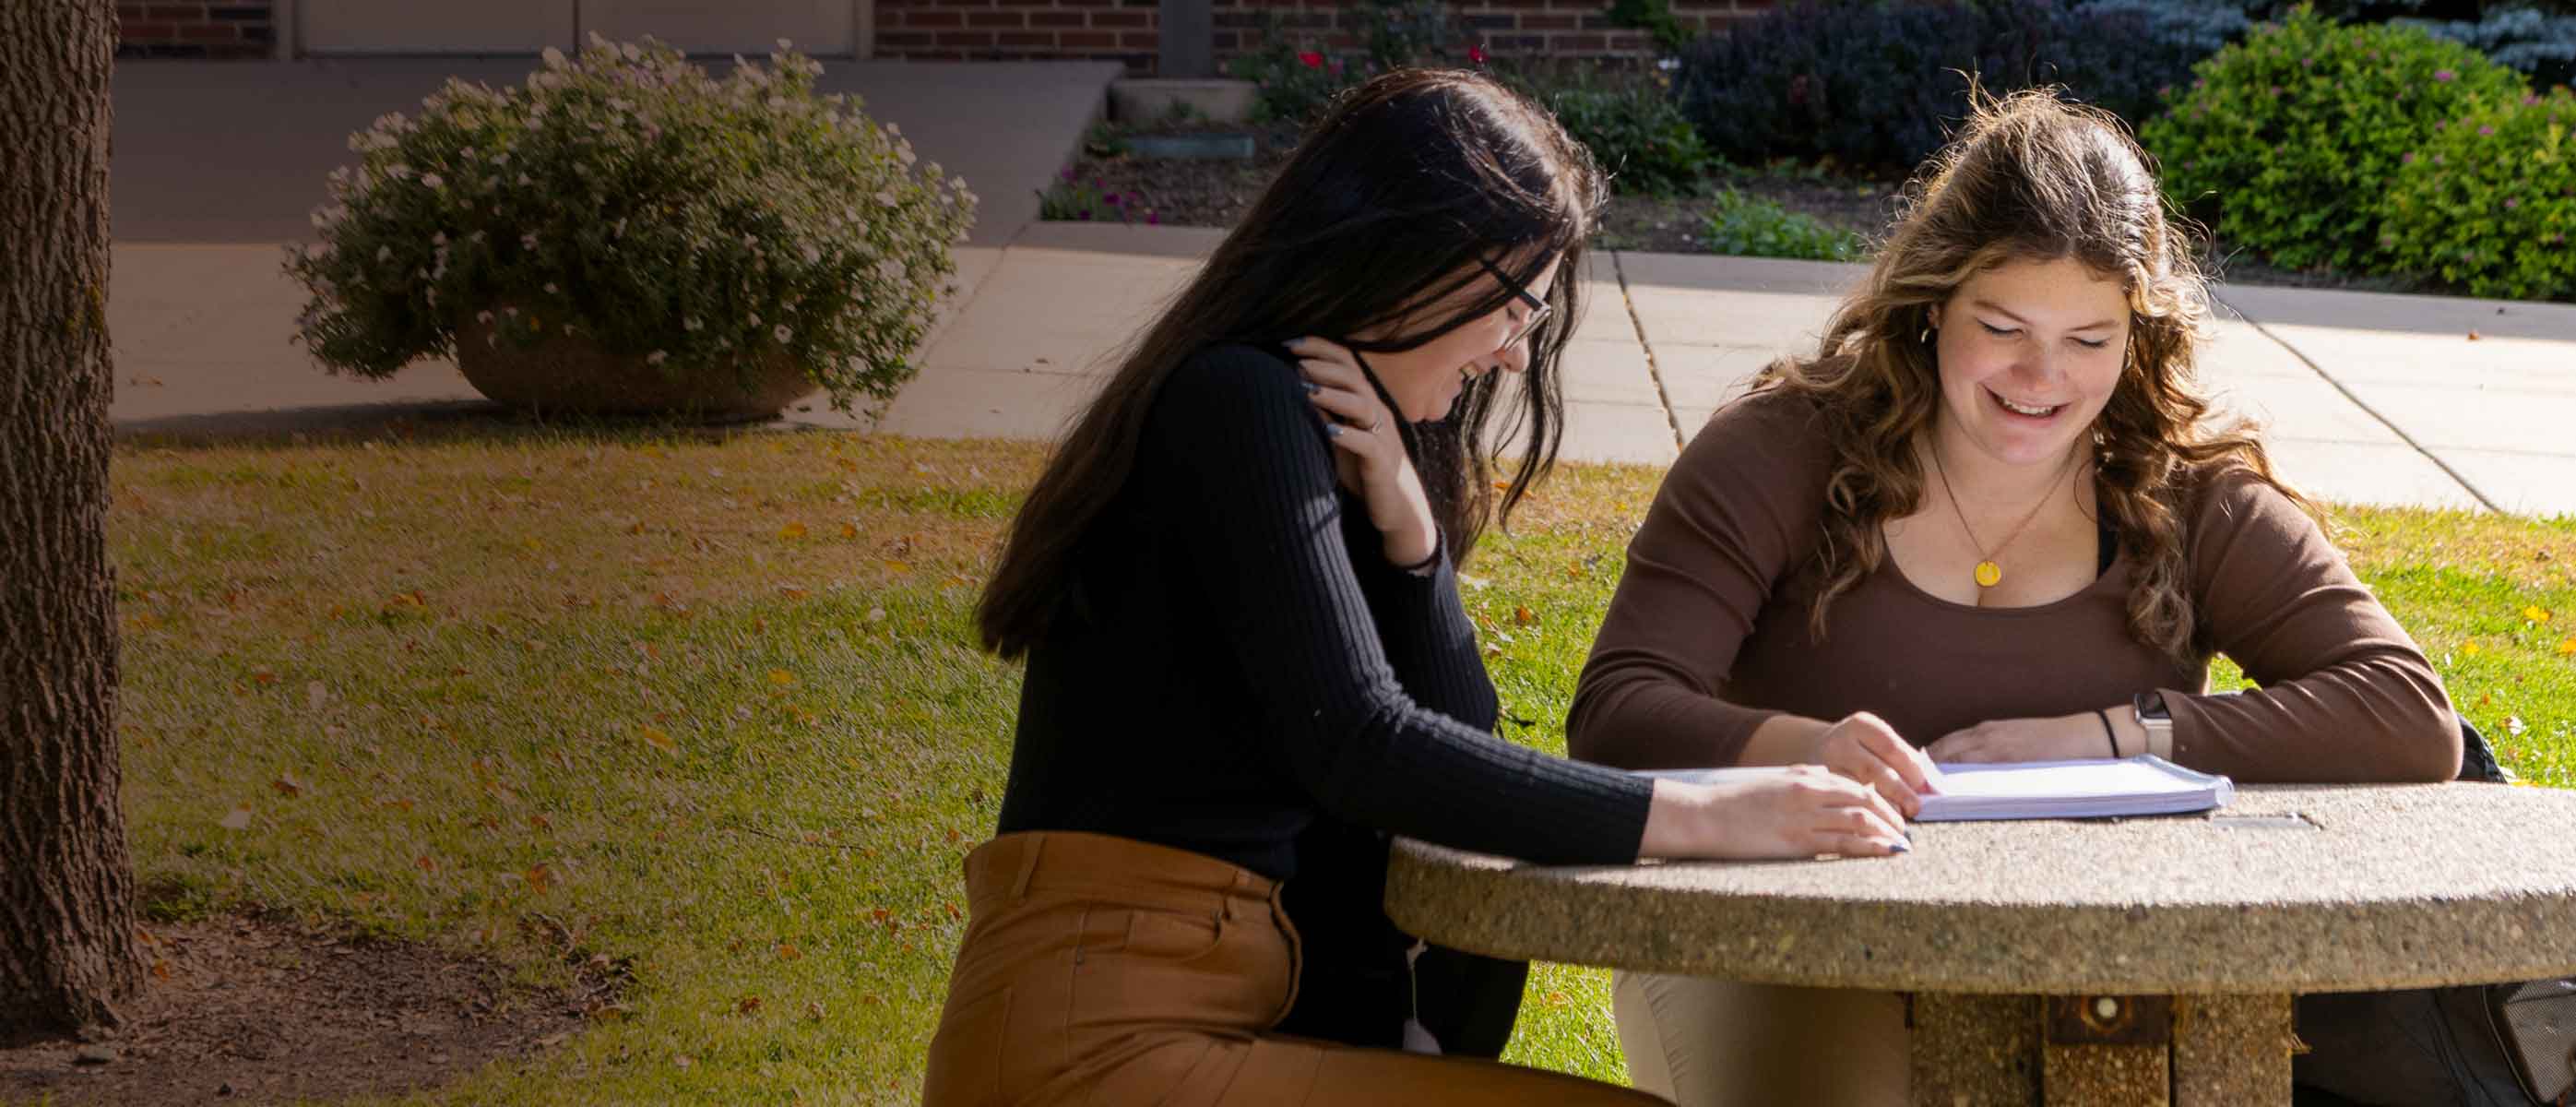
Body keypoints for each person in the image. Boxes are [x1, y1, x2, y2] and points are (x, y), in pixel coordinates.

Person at [931, 69, 1914, 1107]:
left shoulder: (1310, 431)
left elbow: (1447, 762)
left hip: (1215, 1024)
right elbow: (1364, 744)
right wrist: (1712, 814)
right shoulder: (1233, 399)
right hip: (1096, 1044)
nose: (1510, 351)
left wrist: (1412, 550)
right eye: (1509, 304)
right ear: (1401, 252)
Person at [1563, 89, 2464, 1106]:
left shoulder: (2182, 486)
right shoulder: (1780, 449)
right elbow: (1615, 712)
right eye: (2002, 327)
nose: (2042, 376)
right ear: (1931, 303)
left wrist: (2114, 734)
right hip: (1778, 930)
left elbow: (2402, 711)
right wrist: (1809, 749)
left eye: (2089, 338)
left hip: (2088, 957)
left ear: (2138, 333)